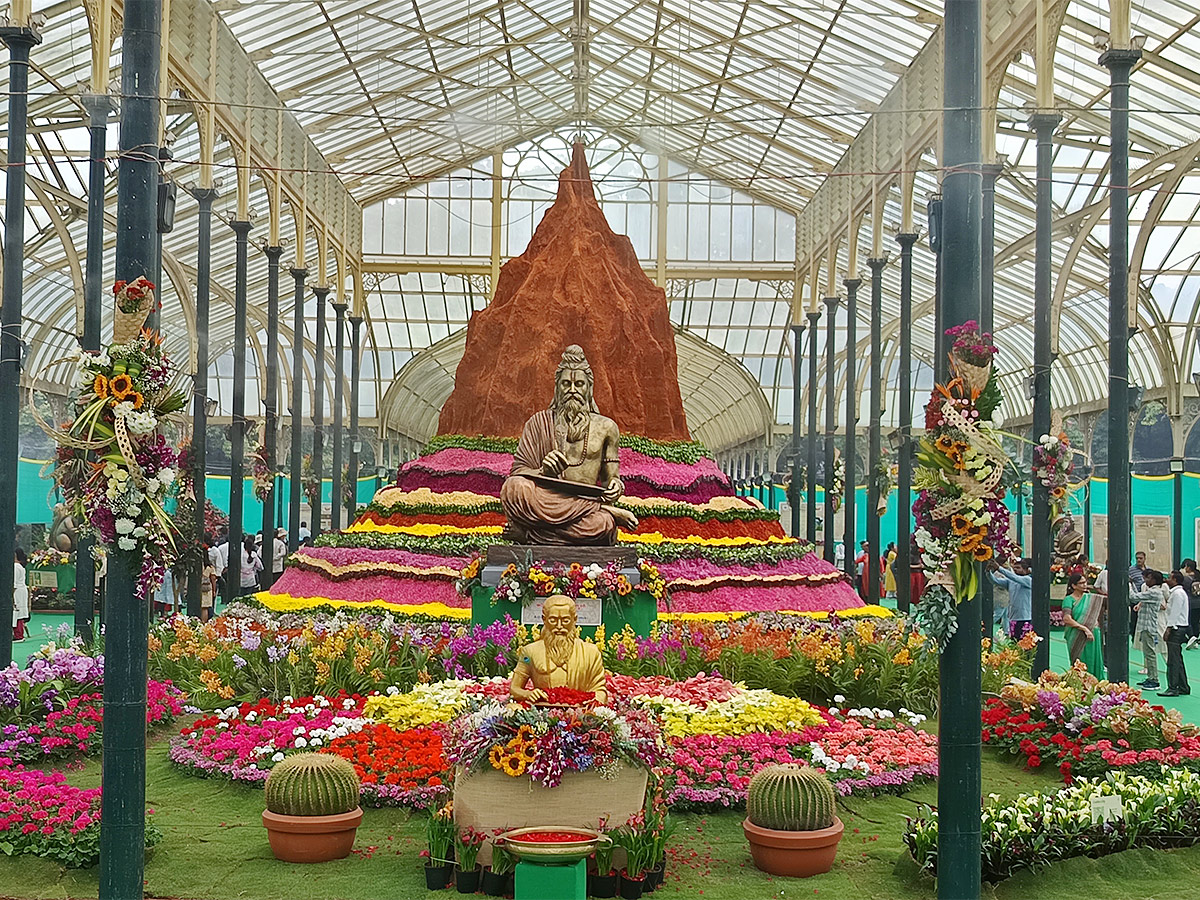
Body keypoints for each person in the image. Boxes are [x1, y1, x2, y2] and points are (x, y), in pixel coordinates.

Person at [499, 345, 638, 544]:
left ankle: (531, 536)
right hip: (547, 499)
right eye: (566, 384)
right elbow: (518, 472)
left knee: (603, 525)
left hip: (580, 512)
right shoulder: (539, 422)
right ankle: (605, 511)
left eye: (579, 384)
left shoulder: (607, 427)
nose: (572, 390)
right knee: (513, 488)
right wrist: (544, 472)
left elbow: (611, 480)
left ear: (589, 388)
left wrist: (616, 486)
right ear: (557, 388)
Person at [509, 594, 608, 703]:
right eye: (553, 620)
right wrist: (528, 694)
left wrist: (594, 701)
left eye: (565, 620)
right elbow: (514, 689)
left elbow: (600, 691)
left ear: (574, 620)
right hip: (541, 711)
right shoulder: (529, 652)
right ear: (544, 619)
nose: (559, 626)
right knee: (513, 708)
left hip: (580, 711)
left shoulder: (591, 653)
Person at [1131, 569, 1169, 690]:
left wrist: (1128, 584)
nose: (1145, 580)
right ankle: (1150, 677)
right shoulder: (1152, 591)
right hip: (1145, 626)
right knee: (1147, 653)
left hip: (1148, 627)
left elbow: (1133, 597)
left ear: (1154, 580)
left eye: (1148, 578)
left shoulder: (1154, 592)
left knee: (1150, 654)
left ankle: (1154, 680)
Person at [1061, 572, 1105, 677]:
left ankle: (1096, 686)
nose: (1084, 585)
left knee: (1095, 660)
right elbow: (1067, 619)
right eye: (1081, 583)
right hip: (1077, 635)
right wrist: (1084, 628)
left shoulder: (1090, 598)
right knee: (1080, 662)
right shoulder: (1069, 600)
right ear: (1074, 586)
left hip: (1093, 633)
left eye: (1085, 582)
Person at [1161, 569, 1192, 697]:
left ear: (1175, 580)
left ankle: (1173, 687)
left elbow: (1175, 612)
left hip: (1176, 628)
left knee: (1173, 660)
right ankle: (1183, 686)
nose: (1167, 579)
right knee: (1177, 658)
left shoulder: (1177, 594)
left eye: (1169, 577)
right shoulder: (1178, 592)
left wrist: (1168, 629)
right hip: (1179, 627)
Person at [989, 559, 1032, 639]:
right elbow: (995, 581)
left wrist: (999, 568)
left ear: (1026, 570)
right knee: (1013, 642)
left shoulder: (1028, 580)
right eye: (1014, 568)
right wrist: (988, 572)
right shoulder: (1010, 581)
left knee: (1024, 643)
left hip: (1025, 618)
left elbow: (1015, 578)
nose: (1015, 569)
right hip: (1013, 618)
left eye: (1018, 568)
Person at [12, 548, 28, 642]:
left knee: (16, 612)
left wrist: (11, 594)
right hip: (21, 590)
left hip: (17, 590)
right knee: (19, 612)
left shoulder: (16, 566)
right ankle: (19, 634)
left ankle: (18, 635)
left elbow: (14, 582)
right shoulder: (20, 566)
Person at [199, 547, 217, 624]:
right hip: (207, 589)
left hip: (199, 588)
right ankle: (204, 623)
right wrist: (214, 590)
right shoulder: (210, 567)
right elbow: (213, 579)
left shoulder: (198, 566)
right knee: (205, 607)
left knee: (200, 607)